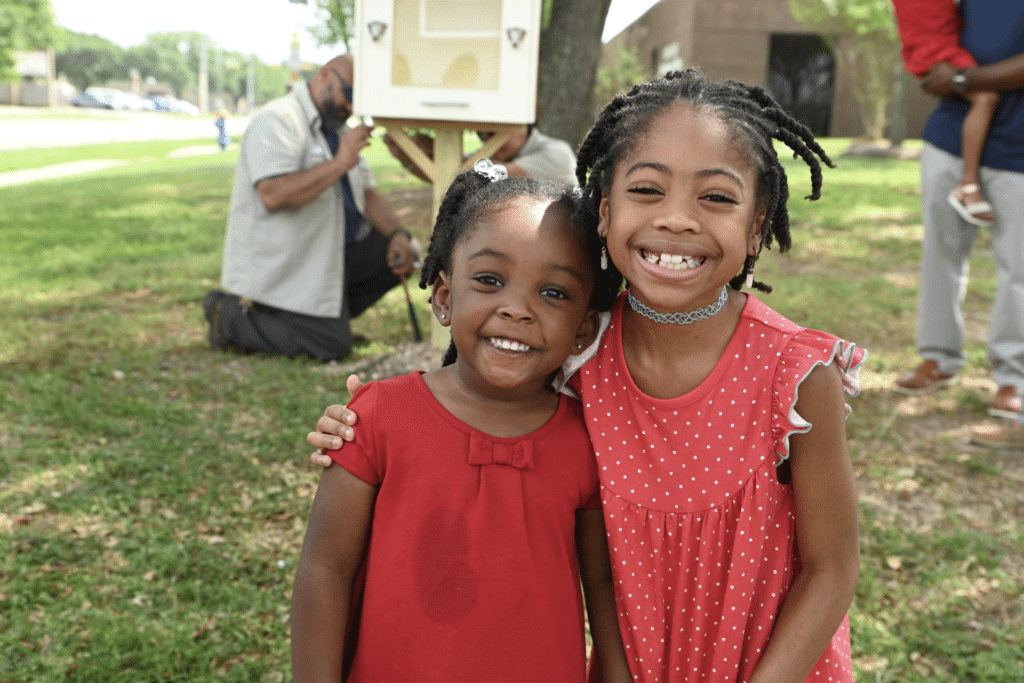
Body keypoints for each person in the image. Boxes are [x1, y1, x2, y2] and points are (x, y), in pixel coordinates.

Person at [308, 69, 866, 682]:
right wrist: (362, 422)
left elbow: (832, 569)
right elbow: (482, 387)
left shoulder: (794, 374)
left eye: (717, 197)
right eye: (648, 190)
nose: (677, 220)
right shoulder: (581, 350)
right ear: (605, 210)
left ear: (758, 225)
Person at [290, 160, 631, 682]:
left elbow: (601, 584)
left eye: (554, 292)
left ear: (584, 329)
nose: (517, 309)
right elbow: (325, 569)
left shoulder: (587, 440)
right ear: (445, 298)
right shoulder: (379, 416)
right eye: (490, 280)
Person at [204, 54, 419, 361]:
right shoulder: (278, 119)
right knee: (332, 346)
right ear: (324, 76)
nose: (352, 108)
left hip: (329, 257)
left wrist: (398, 233)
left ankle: (325, 320)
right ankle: (227, 316)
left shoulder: (339, 129)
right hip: (287, 266)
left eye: (361, 101)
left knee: (407, 251)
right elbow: (274, 194)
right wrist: (340, 162)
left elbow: (368, 193)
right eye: (350, 94)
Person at [893, 0, 1024, 420]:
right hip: (950, 136)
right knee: (941, 255)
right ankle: (938, 358)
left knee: (1019, 270)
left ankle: (1013, 379)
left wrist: (964, 77)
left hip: (1019, 149)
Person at [892, 0, 998, 225]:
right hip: (936, 50)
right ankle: (967, 186)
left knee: (983, 98)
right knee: (986, 97)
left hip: (938, 46)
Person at [384, 124, 577, 185]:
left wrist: (435, 149)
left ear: (520, 128)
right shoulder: (504, 153)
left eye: (493, 133)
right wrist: (405, 157)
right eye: (481, 134)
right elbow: (445, 178)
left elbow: (468, 175)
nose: (487, 142)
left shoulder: (558, 154)